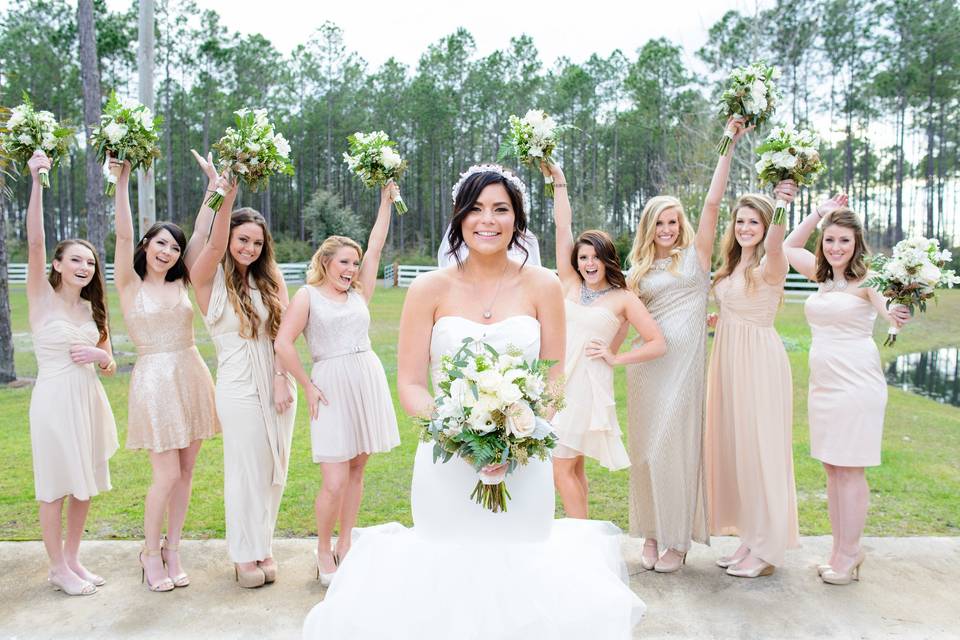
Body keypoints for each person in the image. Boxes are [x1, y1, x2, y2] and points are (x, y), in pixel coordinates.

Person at [303, 164, 645, 639]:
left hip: (523, 462)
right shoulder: (428, 289)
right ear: (460, 218)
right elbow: (411, 385)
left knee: (522, 564)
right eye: (477, 209)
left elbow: (552, 377)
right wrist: (461, 433)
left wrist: (515, 434)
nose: (488, 220)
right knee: (446, 569)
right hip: (446, 460)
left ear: (517, 219)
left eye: (501, 209)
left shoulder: (543, 285)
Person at [624, 116, 750, 573]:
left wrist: (728, 142)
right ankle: (654, 533)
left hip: (685, 367)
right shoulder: (636, 269)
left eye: (674, 221)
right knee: (645, 451)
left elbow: (714, 200)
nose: (668, 228)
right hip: (648, 370)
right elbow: (622, 317)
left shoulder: (696, 256)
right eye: (660, 222)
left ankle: (679, 541)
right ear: (649, 225)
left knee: (672, 448)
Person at [274, 182, 401, 585]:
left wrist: (385, 202)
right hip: (329, 383)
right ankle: (322, 547)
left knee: (358, 467)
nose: (350, 269)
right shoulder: (308, 296)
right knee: (334, 478)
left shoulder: (360, 292)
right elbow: (282, 343)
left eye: (355, 263)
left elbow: (377, 245)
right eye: (344, 262)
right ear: (326, 262)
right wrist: (306, 385)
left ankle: (346, 542)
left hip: (366, 378)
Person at [784, 194, 910, 585]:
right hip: (824, 387)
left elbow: (889, 309)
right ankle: (840, 550)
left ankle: (851, 552)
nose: (835, 247)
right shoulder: (822, 277)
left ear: (857, 244)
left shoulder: (868, 280)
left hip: (857, 385)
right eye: (829, 240)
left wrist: (896, 315)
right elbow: (788, 245)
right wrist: (818, 213)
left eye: (844, 241)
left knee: (850, 469)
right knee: (832, 468)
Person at [185, 150, 297, 588]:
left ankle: (262, 545)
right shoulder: (207, 279)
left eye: (256, 241)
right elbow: (209, 241)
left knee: (273, 470)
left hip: (277, 385)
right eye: (242, 239)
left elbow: (283, 337)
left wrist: (282, 379)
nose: (249, 247)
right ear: (229, 239)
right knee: (246, 470)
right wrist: (224, 193)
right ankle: (243, 555)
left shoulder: (270, 281)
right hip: (236, 386)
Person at [110, 157, 219, 591]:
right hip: (155, 379)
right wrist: (121, 182)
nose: (168, 252)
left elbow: (202, 232)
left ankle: (174, 548)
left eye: (173, 248)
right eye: (160, 244)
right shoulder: (128, 284)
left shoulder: (181, 280)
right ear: (146, 244)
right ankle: (149, 552)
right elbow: (120, 233)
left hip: (190, 372)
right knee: (166, 475)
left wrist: (214, 187)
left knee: (187, 471)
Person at [545, 161, 665, 518]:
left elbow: (657, 342)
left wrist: (616, 359)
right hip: (556, 379)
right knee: (573, 467)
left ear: (607, 259)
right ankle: (583, 535)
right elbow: (562, 225)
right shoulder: (569, 283)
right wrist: (560, 181)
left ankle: (577, 542)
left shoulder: (623, 298)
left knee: (560, 466)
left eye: (595, 257)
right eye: (583, 257)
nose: (588, 263)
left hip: (587, 384)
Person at [25, 150, 118, 595]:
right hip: (53, 401)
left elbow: (111, 363)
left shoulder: (92, 308)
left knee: (83, 487)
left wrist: (102, 359)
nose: (85, 268)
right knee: (56, 486)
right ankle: (56, 566)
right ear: (58, 264)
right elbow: (36, 241)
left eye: (91, 262)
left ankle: (74, 559)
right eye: (76, 260)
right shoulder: (41, 300)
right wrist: (37, 181)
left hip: (88, 400)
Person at [703, 188, 800, 578]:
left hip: (758, 363)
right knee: (738, 449)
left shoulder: (771, 264)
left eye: (753, 222)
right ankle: (750, 536)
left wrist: (781, 207)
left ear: (765, 226)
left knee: (761, 451)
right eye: (740, 221)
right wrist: (722, 319)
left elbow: (777, 245)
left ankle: (768, 549)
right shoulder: (732, 266)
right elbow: (735, 303)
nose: (745, 228)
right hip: (728, 360)